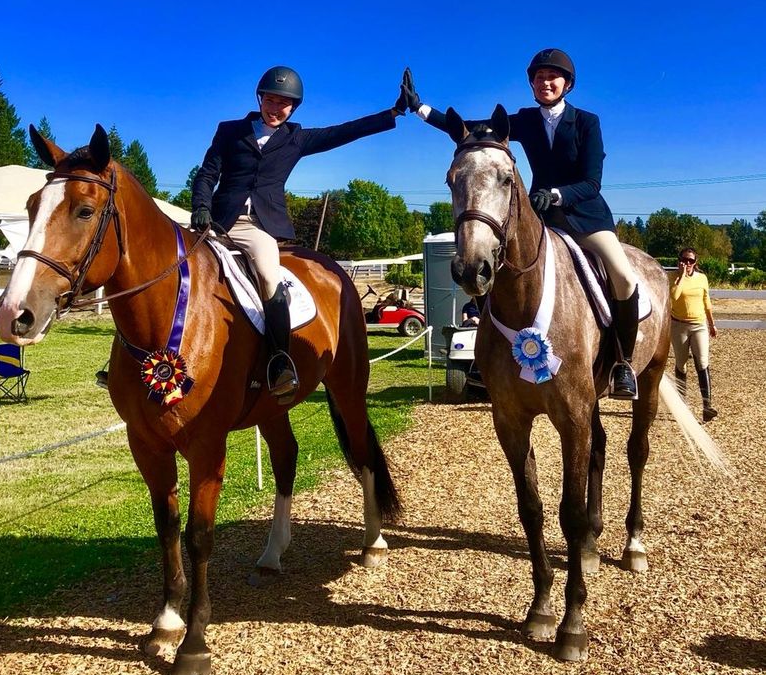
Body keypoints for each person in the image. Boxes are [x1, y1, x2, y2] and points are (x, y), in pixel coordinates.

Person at [405, 49, 640, 399]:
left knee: (622, 275)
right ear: (531, 84)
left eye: (552, 77)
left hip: (586, 217)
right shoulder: (527, 120)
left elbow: (592, 182)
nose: (546, 82)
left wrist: (558, 194)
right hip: (540, 221)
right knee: (496, 269)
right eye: (539, 77)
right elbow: (473, 128)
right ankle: (491, 359)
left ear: (567, 84)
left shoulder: (587, 122)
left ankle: (623, 362)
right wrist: (421, 109)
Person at [191, 65, 411, 403]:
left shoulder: (296, 138)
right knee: (171, 262)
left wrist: (393, 112)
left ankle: (279, 360)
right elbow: (207, 173)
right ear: (260, 98)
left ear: (293, 108)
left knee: (268, 276)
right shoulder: (230, 131)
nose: (276, 108)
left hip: (258, 228)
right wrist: (201, 207)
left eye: (284, 103)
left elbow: (344, 131)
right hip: (218, 222)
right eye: (271, 99)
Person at [669, 247, 718, 421]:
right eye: (684, 260)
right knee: (681, 364)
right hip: (679, 326)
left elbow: (707, 301)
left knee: (702, 363)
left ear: (695, 263)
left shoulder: (702, 278)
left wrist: (712, 324)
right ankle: (682, 404)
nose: (687, 263)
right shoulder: (672, 278)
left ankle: (707, 406)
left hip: (699, 325)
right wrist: (682, 276)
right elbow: (673, 297)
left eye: (691, 261)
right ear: (679, 260)